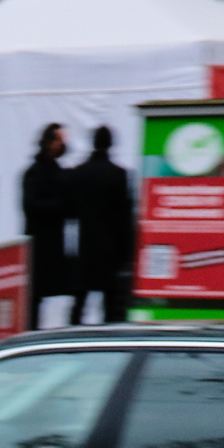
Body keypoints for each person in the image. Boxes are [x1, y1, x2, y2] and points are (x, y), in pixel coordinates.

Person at [69, 126, 134, 325]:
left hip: (84, 244)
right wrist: (127, 252)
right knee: (111, 302)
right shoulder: (118, 174)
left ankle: (71, 337)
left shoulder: (79, 173)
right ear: (111, 144)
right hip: (110, 246)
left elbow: (70, 210)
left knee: (79, 300)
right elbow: (125, 215)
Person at [21, 124, 73, 329]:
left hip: (52, 241)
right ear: (50, 143)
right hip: (39, 243)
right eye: (61, 140)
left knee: (41, 294)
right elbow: (31, 205)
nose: (64, 145)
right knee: (34, 294)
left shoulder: (56, 171)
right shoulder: (35, 173)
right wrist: (61, 206)